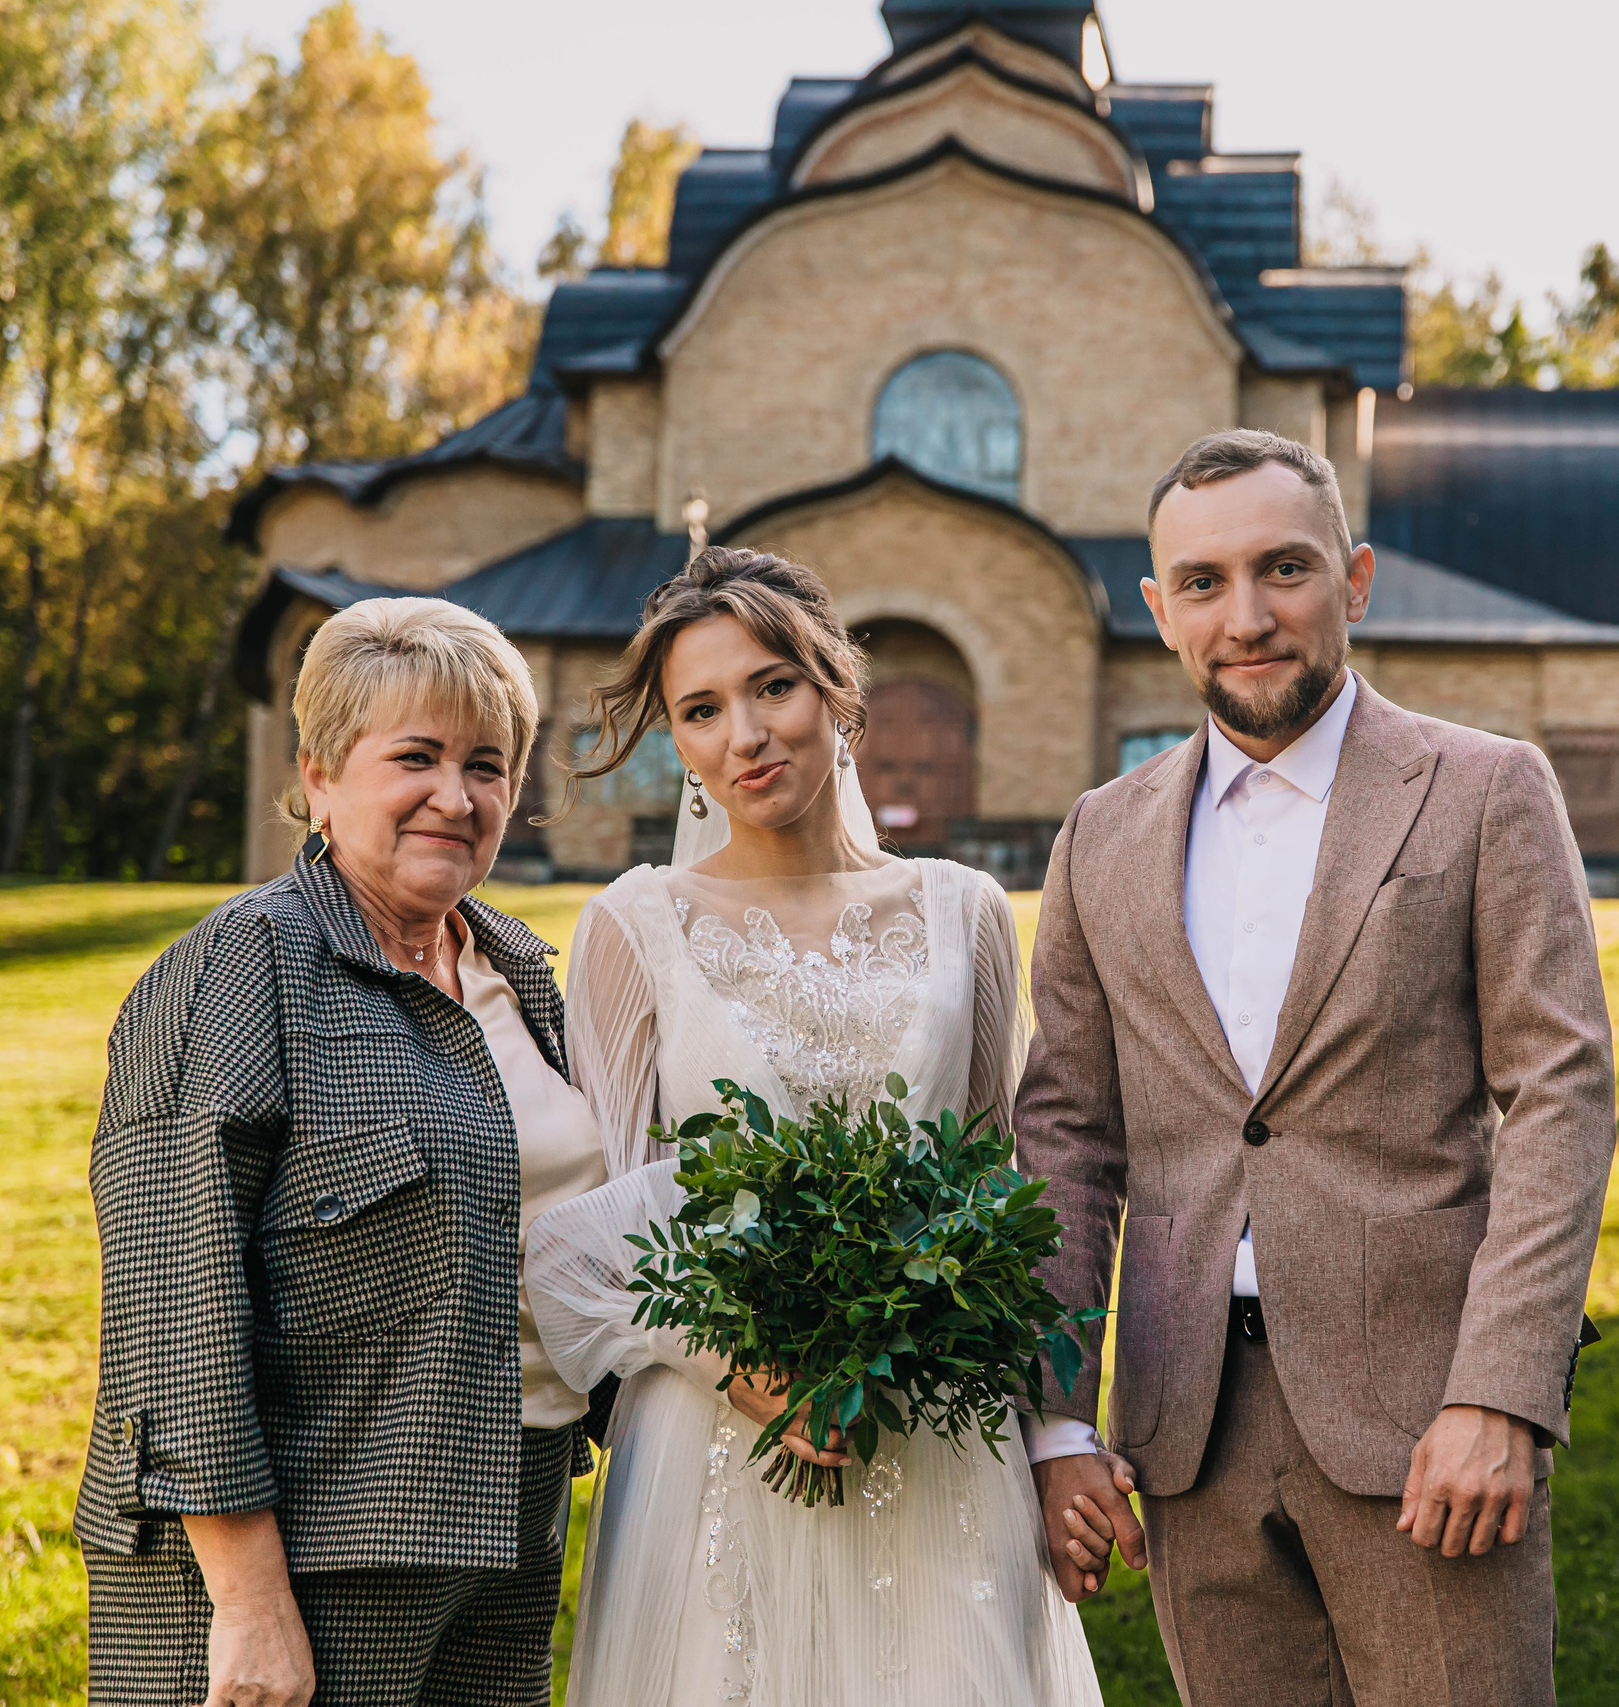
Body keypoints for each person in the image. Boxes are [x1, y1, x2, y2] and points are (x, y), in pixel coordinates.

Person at [1017, 430, 1619, 1707]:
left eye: (1282, 571)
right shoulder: (1099, 838)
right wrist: (1058, 1423)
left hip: (1428, 1431)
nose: (1246, 617)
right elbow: (1068, 1137)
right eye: (1203, 583)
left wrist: (1501, 1396)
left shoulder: (1483, 790)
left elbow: (1560, 1095)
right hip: (1186, 1440)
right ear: (1159, 610)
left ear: (1351, 580)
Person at [521, 546, 1112, 1707]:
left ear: (837, 689)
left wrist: (1049, 1431)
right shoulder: (632, 927)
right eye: (701, 710)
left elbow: (1000, 1193)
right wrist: (748, 1371)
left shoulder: (965, 912)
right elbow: (608, 1226)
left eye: (772, 686)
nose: (744, 733)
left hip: (939, 1431)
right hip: (718, 1443)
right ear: (680, 744)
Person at [75, 597, 607, 1706]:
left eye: (488, 765)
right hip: (312, 1546)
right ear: (318, 774)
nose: (456, 798)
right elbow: (177, 1305)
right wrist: (250, 1599)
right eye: (415, 757)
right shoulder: (239, 969)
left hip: (513, 1515)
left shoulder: (520, 971)